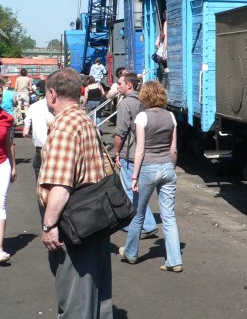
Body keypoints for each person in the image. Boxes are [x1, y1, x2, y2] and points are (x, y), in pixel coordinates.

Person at [39, 68, 112, 318]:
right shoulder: (84, 119)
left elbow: (60, 185)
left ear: (52, 94)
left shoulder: (64, 126)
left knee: (75, 301)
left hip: (74, 225)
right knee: (97, 296)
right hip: (95, 218)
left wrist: (49, 226)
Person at [119, 80, 182, 272]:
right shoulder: (171, 116)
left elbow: (140, 150)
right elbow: (173, 149)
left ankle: (131, 252)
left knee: (138, 213)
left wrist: (134, 176)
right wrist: (171, 167)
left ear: (145, 96)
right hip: (167, 167)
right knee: (169, 216)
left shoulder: (142, 117)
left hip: (147, 168)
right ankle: (174, 260)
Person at [112, 72, 157, 237]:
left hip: (130, 153)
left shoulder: (125, 104)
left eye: (120, 84)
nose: (118, 86)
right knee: (139, 189)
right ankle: (141, 223)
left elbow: (121, 132)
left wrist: (116, 152)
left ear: (129, 85)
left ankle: (147, 224)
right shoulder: (145, 102)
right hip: (146, 152)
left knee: (131, 190)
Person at [23, 97, 55, 218]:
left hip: (40, 151)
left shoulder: (34, 106)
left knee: (41, 188)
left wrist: (33, 136)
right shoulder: (58, 106)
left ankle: (45, 220)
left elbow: (25, 132)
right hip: (55, 148)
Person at [0, 103, 16, 263]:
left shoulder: (7, 118)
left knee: (1, 203)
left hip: (2, 164)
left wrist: (13, 166)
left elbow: (8, 144)